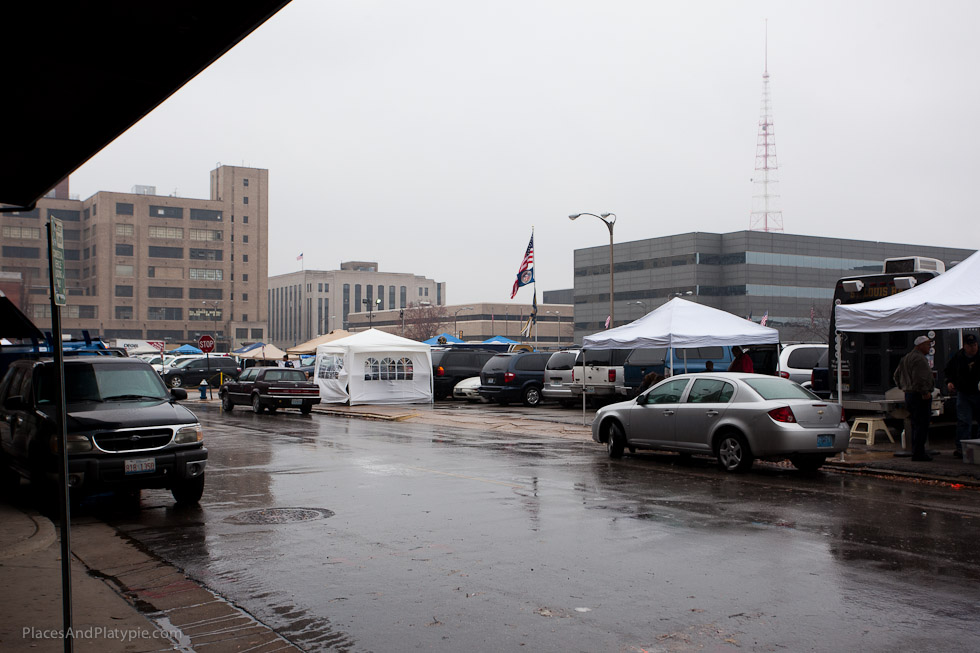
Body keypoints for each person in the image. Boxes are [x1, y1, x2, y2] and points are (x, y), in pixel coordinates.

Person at [894, 335, 936, 461]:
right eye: (927, 344)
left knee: (915, 424)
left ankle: (916, 451)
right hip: (919, 396)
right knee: (922, 425)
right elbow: (920, 378)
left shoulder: (906, 358)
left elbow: (896, 375)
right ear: (920, 345)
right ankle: (919, 453)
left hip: (909, 394)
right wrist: (924, 391)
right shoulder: (919, 359)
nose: (929, 347)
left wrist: (903, 386)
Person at [943, 333, 980, 459]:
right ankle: (962, 448)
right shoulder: (958, 357)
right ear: (964, 346)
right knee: (964, 421)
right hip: (964, 393)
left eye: (975, 345)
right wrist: (949, 382)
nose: (973, 348)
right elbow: (948, 371)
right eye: (970, 346)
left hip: (978, 392)